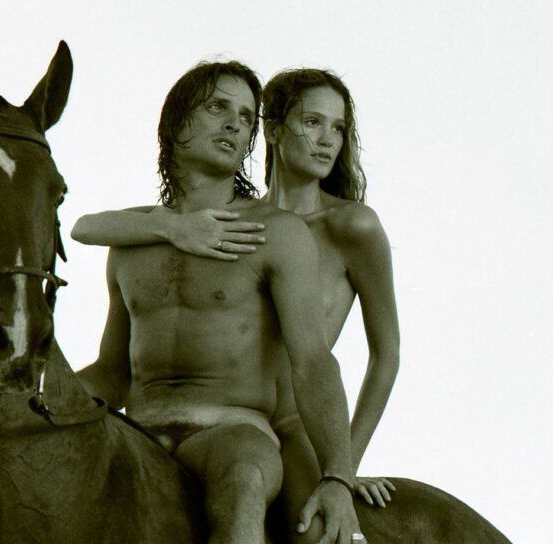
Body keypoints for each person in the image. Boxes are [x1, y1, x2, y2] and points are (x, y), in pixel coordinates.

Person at [72, 61, 365, 543]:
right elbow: (113, 372)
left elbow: (312, 362)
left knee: (242, 482)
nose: (235, 124)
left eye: (246, 117)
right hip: (138, 433)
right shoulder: (131, 242)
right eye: (217, 108)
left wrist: (338, 476)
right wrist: (40, 395)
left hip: (234, 433)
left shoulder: (277, 233)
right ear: (176, 123)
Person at [260, 68, 399, 541]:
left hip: (299, 428)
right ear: (273, 130)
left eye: (338, 128)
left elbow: (386, 355)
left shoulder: (352, 228)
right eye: (312, 122)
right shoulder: (240, 220)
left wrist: (343, 469)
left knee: (317, 535)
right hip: (229, 415)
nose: (327, 140)